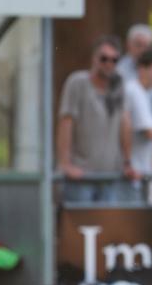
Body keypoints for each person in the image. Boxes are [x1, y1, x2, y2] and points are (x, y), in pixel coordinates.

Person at [57, 35, 136, 202]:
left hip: (110, 176)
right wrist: (65, 164)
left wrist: (128, 163)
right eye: (104, 58)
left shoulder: (119, 86)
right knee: (81, 226)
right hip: (81, 176)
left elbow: (125, 123)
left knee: (108, 226)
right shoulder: (78, 82)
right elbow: (66, 122)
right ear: (94, 58)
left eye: (114, 60)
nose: (109, 64)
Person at [124, 49, 152, 191]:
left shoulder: (144, 93)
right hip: (132, 173)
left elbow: (141, 128)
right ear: (142, 69)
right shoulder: (134, 91)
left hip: (139, 171)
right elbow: (149, 132)